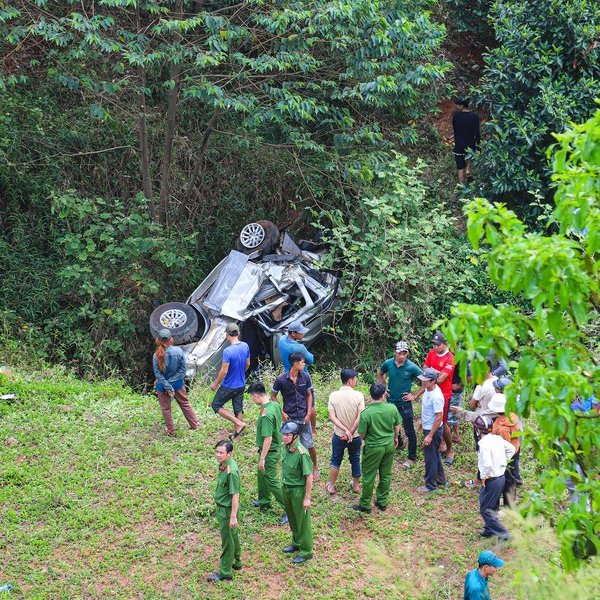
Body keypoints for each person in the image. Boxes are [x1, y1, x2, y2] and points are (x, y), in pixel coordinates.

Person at [407, 332, 456, 465]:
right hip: (429, 391)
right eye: (433, 344)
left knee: (442, 423)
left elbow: (439, 379)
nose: (434, 347)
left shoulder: (450, 358)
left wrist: (432, 372)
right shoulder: (431, 353)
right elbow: (425, 373)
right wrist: (433, 373)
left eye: (437, 344)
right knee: (427, 418)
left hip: (443, 395)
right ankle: (438, 444)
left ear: (445, 344)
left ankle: (450, 449)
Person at [353, 383, 400, 512]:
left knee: (369, 476)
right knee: (386, 474)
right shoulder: (392, 408)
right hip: (389, 445)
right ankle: (382, 502)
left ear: (371, 395)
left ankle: (365, 505)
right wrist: (395, 438)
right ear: (384, 394)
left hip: (373, 447)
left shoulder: (366, 413)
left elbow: (361, 435)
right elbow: (397, 426)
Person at [271, 352, 318, 479]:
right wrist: (282, 413)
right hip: (289, 417)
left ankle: (314, 467)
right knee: (288, 444)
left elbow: (309, 395)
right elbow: (273, 397)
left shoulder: (305, 377)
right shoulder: (281, 380)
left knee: (309, 444)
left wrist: (309, 413)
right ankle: (291, 467)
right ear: (295, 363)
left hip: (303, 416)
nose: (304, 364)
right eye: (302, 362)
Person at [377, 341, 423, 468]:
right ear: (395, 353)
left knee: (409, 430)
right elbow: (380, 373)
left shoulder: (411, 367)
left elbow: (425, 381)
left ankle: (411, 457)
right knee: (391, 425)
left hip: (405, 404)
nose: (402, 356)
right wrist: (383, 388)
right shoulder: (388, 363)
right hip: (391, 401)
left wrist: (414, 396)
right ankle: (400, 444)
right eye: (400, 353)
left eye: (404, 353)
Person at [248, 381, 288, 525]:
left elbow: (267, 438)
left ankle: (288, 508)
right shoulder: (274, 405)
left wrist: (262, 458)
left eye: (252, 397)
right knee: (262, 476)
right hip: (274, 448)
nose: (253, 400)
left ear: (257, 395)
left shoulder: (266, 414)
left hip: (270, 451)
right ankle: (264, 501)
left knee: (271, 479)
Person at [152, 328, 199, 436]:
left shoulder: (156, 355)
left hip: (162, 386)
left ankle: (171, 430)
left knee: (166, 408)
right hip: (177, 384)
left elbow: (157, 374)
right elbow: (182, 371)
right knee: (184, 403)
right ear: (171, 339)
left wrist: (167, 385)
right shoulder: (178, 351)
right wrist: (172, 384)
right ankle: (194, 425)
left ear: (159, 340)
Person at [476, 416, 515, 540]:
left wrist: (483, 477)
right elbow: (512, 449)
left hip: (491, 479)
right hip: (501, 477)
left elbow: (486, 464)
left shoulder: (483, 444)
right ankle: (489, 530)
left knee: (485, 509)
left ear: (478, 430)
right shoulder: (497, 438)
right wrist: (503, 461)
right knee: (492, 506)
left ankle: (502, 534)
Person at [326, 368, 365, 495]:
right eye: (355, 379)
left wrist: (344, 430)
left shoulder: (333, 395)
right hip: (355, 436)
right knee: (355, 458)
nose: (356, 381)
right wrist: (351, 431)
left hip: (339, 435)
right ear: (350, 381)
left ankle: (331, 486)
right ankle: (356, 485)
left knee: (336, 459)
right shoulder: (359, 395)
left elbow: (332, 417)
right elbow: (360, 416)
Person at [207, 439, 241, 582]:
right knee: (233, 536)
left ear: (229, 454)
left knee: (227, 541)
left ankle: (225, 571)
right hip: (225, 509)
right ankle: (237, 561)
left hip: (226, 511)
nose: (218, 455)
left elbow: (235, 495)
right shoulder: (224, 465)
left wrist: (233, 516)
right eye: (217, 452)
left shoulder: (231, 471)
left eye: (221, 453)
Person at [280, 421, 314, 564]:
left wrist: (307, 497)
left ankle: (306, 551)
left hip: (298, 491)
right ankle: (296, 542)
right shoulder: (286, 449)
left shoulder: (302, 452)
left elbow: (309, 476)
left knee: (302, 521)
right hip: (287, 488)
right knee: (293, 518)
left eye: (287, 435)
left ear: (295, 436)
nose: (284, 437)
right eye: (283, 434)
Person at [210, 322, 250, 439]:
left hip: (229, 385)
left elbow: (224, 371)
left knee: (216, 405)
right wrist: (241, 373)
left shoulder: (228, 351)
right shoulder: (245, 346)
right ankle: (237, 434)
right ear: (238, 333)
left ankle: (239, 423)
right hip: (241, 383)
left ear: (227, 335)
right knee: (238, 408)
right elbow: (248, 364)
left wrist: (215, 384)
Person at [489, 379, 522, 509]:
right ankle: (509, 505)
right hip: (514, 450)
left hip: (506, 455)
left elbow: (505, 446)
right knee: (510, 480)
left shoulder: (502, 427)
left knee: (505, 480)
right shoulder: (511, 416)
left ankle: (507, 507)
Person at [416, 368, 447, 493]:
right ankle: (441, 480)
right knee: (434, 455)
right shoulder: (428, 390)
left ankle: (431, 485)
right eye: (422, 380)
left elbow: (439, 417)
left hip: (432, 430)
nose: (423, 383)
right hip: (428, 427)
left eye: (426, 381)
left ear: (434, 381)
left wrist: (429, 435)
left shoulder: (436, 396)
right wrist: (422, 421)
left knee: (430, 458)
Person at [452, 96, 480, 184]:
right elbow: (477, 133)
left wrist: (456, 142)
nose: (456, 107)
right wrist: (479, 146)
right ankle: (469, 173)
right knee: (469, 159)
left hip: (459, 144)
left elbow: (455, 131)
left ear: (462, 106)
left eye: (457, 105)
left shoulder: (456, 116)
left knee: (460, 167)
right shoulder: (474, 116)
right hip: (470, 143)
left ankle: (461, 187)